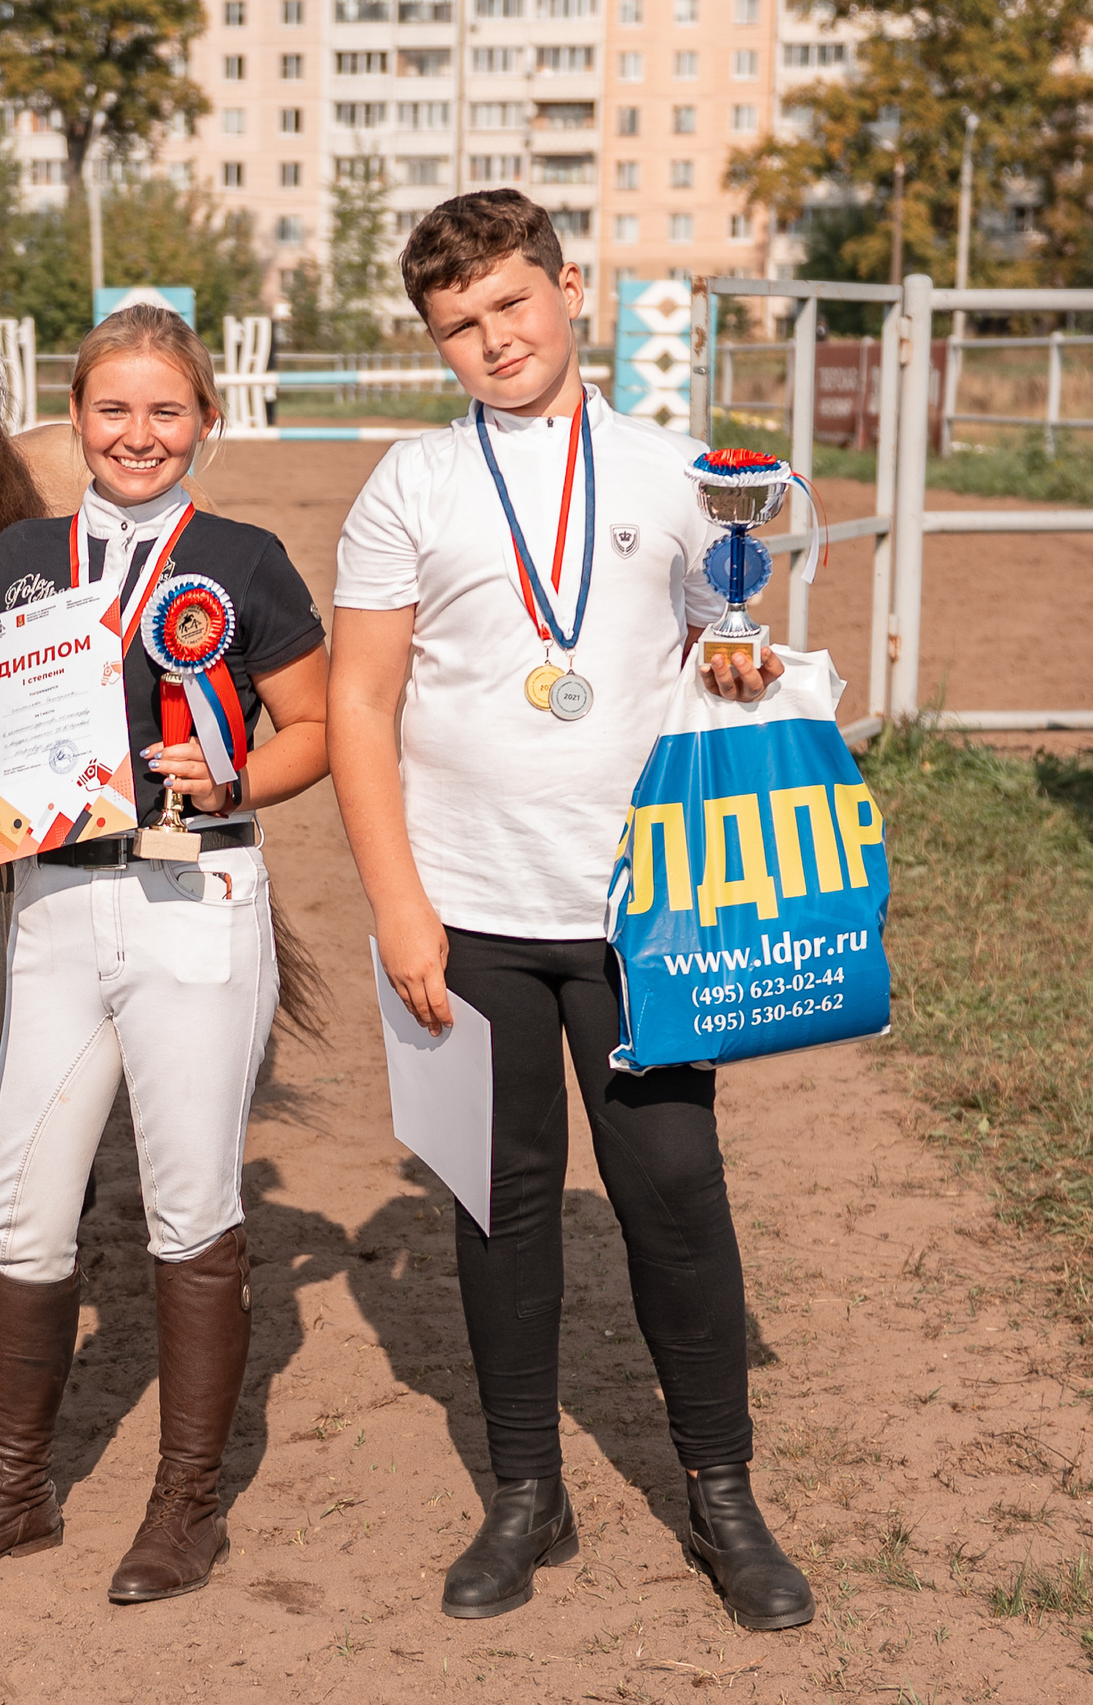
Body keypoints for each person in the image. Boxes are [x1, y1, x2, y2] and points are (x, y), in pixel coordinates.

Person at [326, 190, 813, 1631]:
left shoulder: (678, 475)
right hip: (468, 912)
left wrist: (737, 662)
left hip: (644, 912)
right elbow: (360, 702)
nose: (495, 338)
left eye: (513, 304)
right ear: (436, 342)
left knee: (673, 1193)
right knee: (501, 1206)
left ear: (573, 287)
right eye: (460, 324)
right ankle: (525, 1494)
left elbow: (726, 633)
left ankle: (722, 1495)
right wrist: (400, 906)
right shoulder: (408, 485)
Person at [0, 305, 331, 1604]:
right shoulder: (25, 552)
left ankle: (185, 1508)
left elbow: (314, 726)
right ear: (73, 419)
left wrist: (236, 767)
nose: (139, 434)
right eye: (113, 411)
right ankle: (10, 1492)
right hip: (53, 912)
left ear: (206, 422)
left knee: (189, 1202)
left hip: (194, 907)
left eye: (166, 411)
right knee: (22, 1200)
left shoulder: (243, 561)